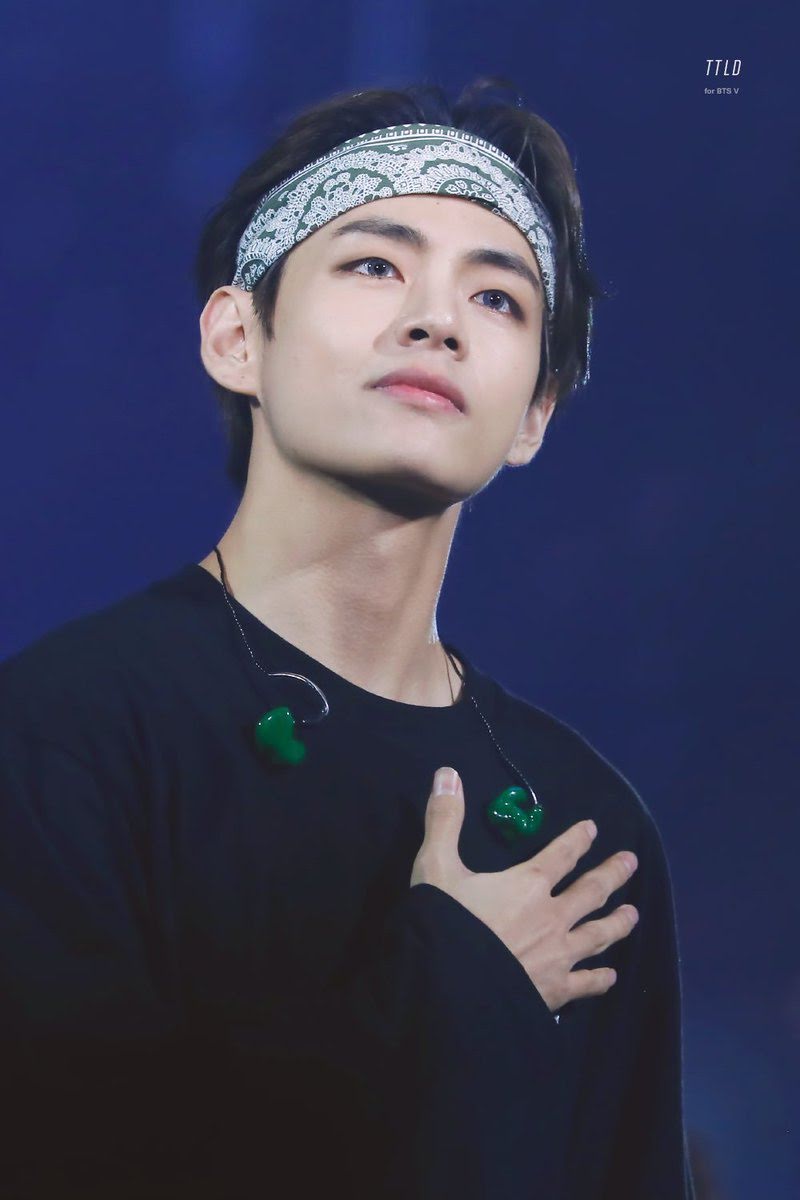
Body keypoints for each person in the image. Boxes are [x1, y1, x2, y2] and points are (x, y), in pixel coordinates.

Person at [0, 79, 695, 1198]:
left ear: (534, 415)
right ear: (238, 337)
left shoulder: (582, 825)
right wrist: (449, 985)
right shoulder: (66, 733)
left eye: (498, 298)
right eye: (374, 265)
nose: (436, 320)